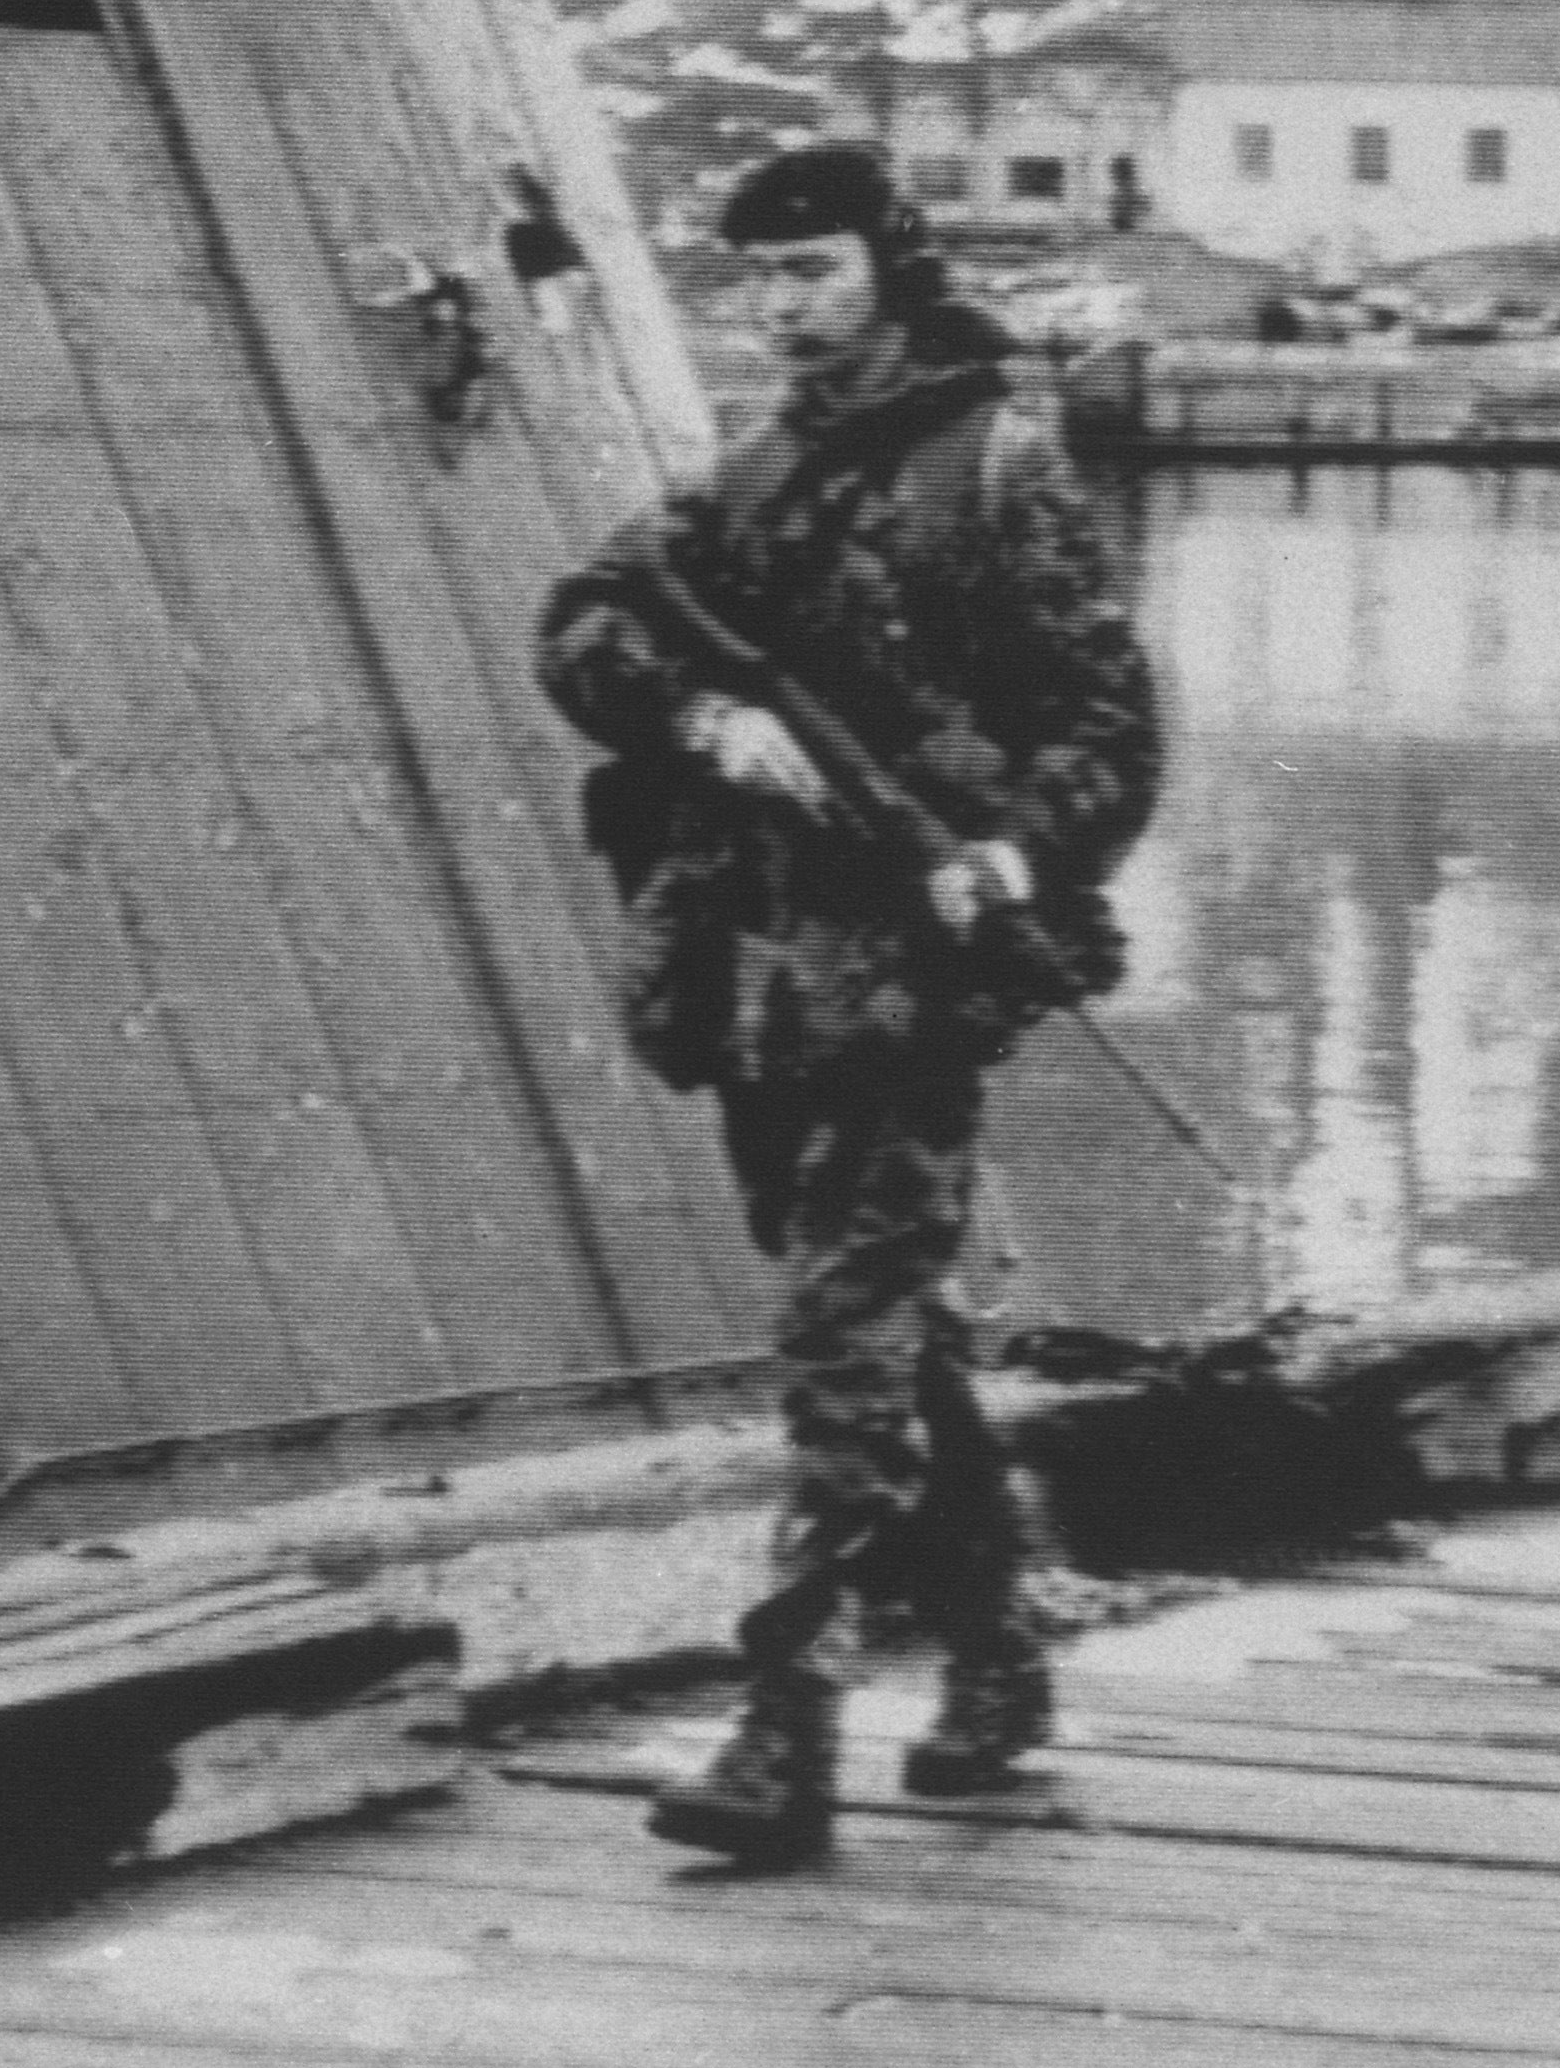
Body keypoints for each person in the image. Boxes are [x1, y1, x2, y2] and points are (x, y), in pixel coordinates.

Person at [536, 143, 1163, 1866]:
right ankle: (995, 1659)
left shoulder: (995, 468)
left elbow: (1109, 735)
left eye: (807, 272)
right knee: (888, 1328)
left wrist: (1012, 860)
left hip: (915, 977)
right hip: (764, 972)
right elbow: (582, 621)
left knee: (841, 1332)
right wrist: (699, 721)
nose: (779, 306)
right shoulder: (752, 476)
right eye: (754, 280)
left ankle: (784, 1728)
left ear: (884, 267)